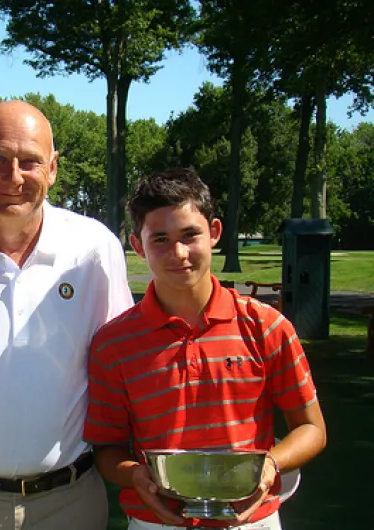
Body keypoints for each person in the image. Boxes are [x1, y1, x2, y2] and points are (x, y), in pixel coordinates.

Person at [0, 100, 134, 529]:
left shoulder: (94, 248)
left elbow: (124, 366)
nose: (14, 177)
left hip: (70, 502)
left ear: (52, 169)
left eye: (30, 162)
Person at [84, 168, 327, 529]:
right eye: (161, 239)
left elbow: (311, 428)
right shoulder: (113, 343)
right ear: (138, 246)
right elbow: (107, 449)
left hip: (252, 521)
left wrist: (269, 467)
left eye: (189, 235)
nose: (178, 252)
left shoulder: (266, 326)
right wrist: (136, 476)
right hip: (156, 522)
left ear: (214, 232)